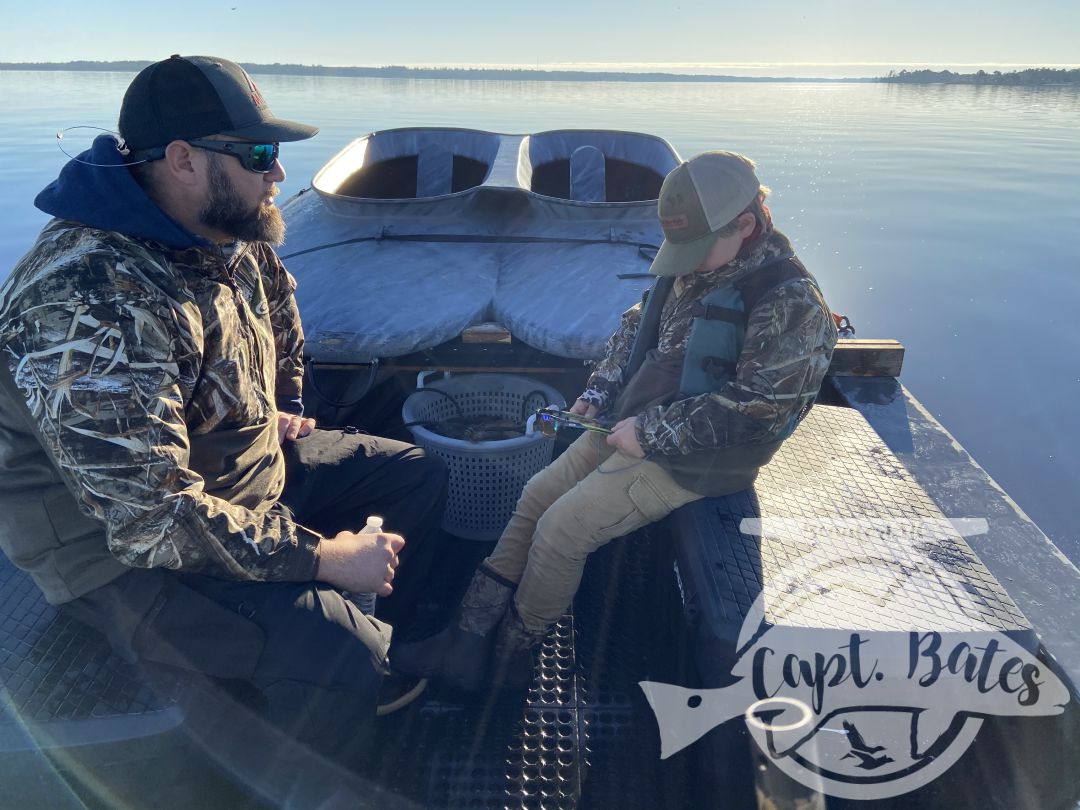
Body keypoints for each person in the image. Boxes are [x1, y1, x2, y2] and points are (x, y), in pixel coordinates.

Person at [0, 55, 447, 762]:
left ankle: (357, 622)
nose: (279, 176)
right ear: (181, 159)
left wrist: (287, 406)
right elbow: (150, 522)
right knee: (345, 657)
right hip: (123, 561)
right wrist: (324, 556)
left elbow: (279, 316)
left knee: (418, 473)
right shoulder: (87, 299)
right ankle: (329, 685)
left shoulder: (227, 228)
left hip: (238, 473)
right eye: (260, 155)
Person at [392, 151, 838, 690]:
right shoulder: (703, 261)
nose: (686, 260)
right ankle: (467, 640)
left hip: (697, 461)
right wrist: (600, 391)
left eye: (696, 248)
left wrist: (651, 432)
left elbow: (764, 408)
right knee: (535, 497)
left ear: (746, 225)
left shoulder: (791, 301)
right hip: (628, 426)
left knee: (562, 531)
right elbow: (634, 328)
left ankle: (511, 658)